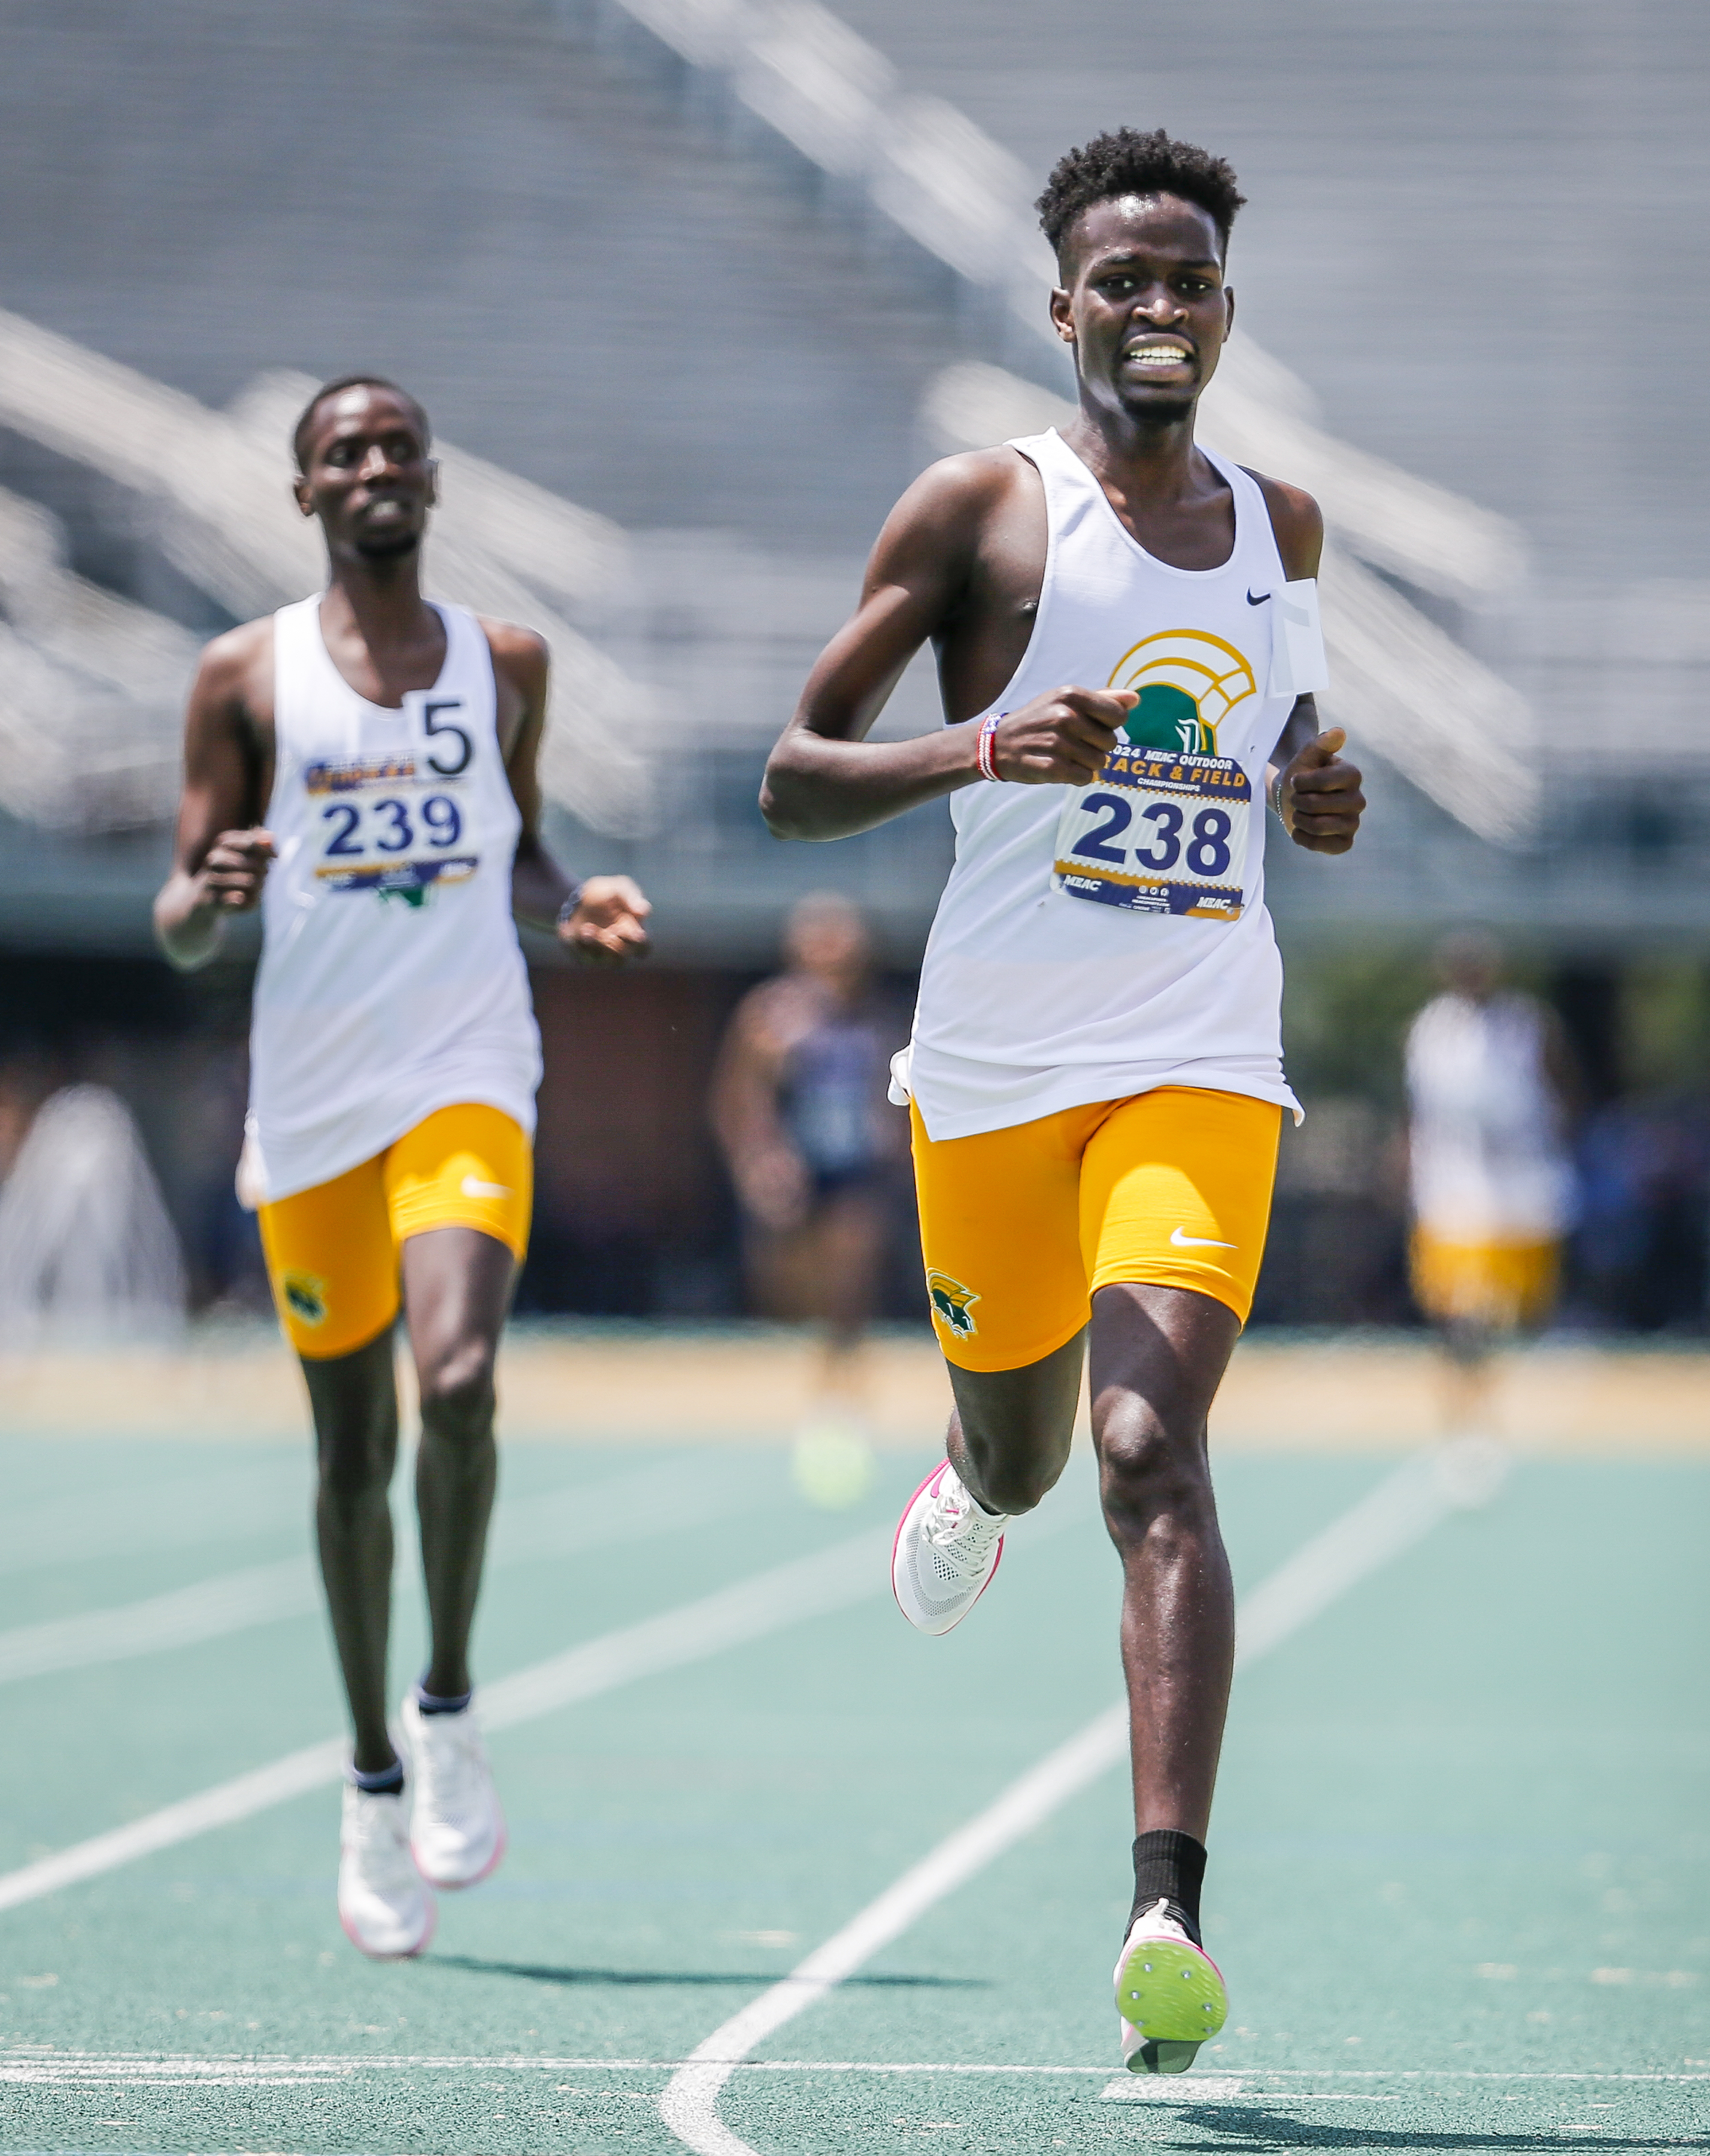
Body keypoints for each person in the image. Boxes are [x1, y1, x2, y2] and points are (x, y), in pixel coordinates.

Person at [759, 129, 1365, 2073]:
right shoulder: (981, 514)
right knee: (1026, 1462)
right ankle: (966, 1472)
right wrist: (980, 743)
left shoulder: (1285, 531)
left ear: (1224, 307)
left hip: (1198, 1066)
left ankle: (1163, 1910)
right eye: (1123, 280)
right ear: (1062, 309)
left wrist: (1315, 797)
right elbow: (786, 773)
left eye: (1187, 277)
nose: (1158, 307)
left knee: (1141, 1450)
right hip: (996, 1079)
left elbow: (1275, 761)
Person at [153, 377, 650, 1959]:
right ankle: (370, 1777)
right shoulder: (245, 676)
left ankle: (448, 1702)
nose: (373, 466)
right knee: (349, 1448)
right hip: (311, 1106)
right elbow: (178, 915)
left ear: (432, 480)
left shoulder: (507, 664)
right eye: (342, 452)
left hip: (465, 1073)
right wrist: (207, 893)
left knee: (461, 1380)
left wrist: (572, 906)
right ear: (306, 494)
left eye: (396, 446)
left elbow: (520, 852)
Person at [710, 892, 908, 1495]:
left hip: (858, 1170)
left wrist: (897, 1154)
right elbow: (737, 1098)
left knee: (850, 1280)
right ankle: (789, 1394)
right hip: (795, 1172)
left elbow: (896, 1097)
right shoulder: (770, 1016)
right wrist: (759, 1158)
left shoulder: (878, 1018)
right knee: (789, 1291)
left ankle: (839, 1396)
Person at [1405, 932, 1576, 1426]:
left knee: (1522, 1309)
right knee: (1459, 1307)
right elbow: (1415, 1108)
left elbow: (1564, 1089)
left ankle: (1496, 1389)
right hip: (1454, 1187)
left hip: (1522, 1184)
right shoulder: (1431, 1028)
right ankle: (1465, 1404)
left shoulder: (1527, 1024)